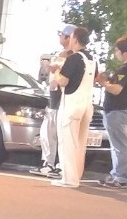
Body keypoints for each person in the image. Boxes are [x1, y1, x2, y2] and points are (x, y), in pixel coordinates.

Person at [50, 25, 96, 188]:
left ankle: (69, 178)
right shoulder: (92, 60)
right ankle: (77, 174)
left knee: (68, 142)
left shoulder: (74, 58)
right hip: (86, 104)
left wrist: (56, 71)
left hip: (71, 105)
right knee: (80, 143)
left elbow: (63, 81)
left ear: (75, 39)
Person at [95, 35, 127, 187]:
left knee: (119, 146)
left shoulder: (126, 69)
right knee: (117, 145)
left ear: (124, 52)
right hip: (121, 109)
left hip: (117, 111)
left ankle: (121, 177)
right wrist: (108, 80)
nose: (116, 53)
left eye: (117, 51)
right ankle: (116, 175)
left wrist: (103, 83)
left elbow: (116, 89)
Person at [35, 26, 72, 178]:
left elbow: (60, 75)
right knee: (48, 133)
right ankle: (50, 164)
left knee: (54, 134)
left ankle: (56, 165)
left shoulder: (71, 56)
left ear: (69, 37)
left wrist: (50, 68)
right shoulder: (65, 54)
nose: (59, 37)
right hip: (54, 98)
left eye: (61, 34)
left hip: (59, 100)